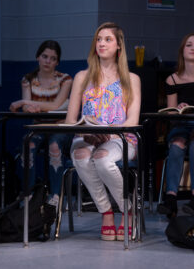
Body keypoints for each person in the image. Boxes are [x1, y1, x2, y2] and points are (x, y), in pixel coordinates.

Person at [65, 22, 141, 241]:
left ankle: (127, 210)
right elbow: (71, 120)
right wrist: (85, 129)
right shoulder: (82, 76)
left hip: (121, 137)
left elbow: (132, 121)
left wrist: (110, 132)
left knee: (102, 159)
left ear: (119, 46)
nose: (101, 43)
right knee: (81, 156)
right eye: (98, 39)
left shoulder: (132, 79)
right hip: (87, 136)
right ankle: (106, 212)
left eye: (108, 39)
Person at [9, 40, 73, 209]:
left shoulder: (65, 79)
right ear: (38, 57)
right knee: (27, 145)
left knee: (54, 146)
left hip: (59, 128)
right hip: (37, 128)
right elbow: (28, 108)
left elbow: (56, 106)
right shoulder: (28, 79)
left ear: (57, 62)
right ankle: (28, 194)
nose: (48, 61)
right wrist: (27, 106)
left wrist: (25, 102)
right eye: (45, 56)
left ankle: (55, 196)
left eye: (53, 58)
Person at [157, 32, 194, 217]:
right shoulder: (172, 79)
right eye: (189, 45)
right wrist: (179, 108)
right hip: (181, 123)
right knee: (177, 145)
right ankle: (171, 197)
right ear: (182, 50)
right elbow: (170, 114)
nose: (193, 48)